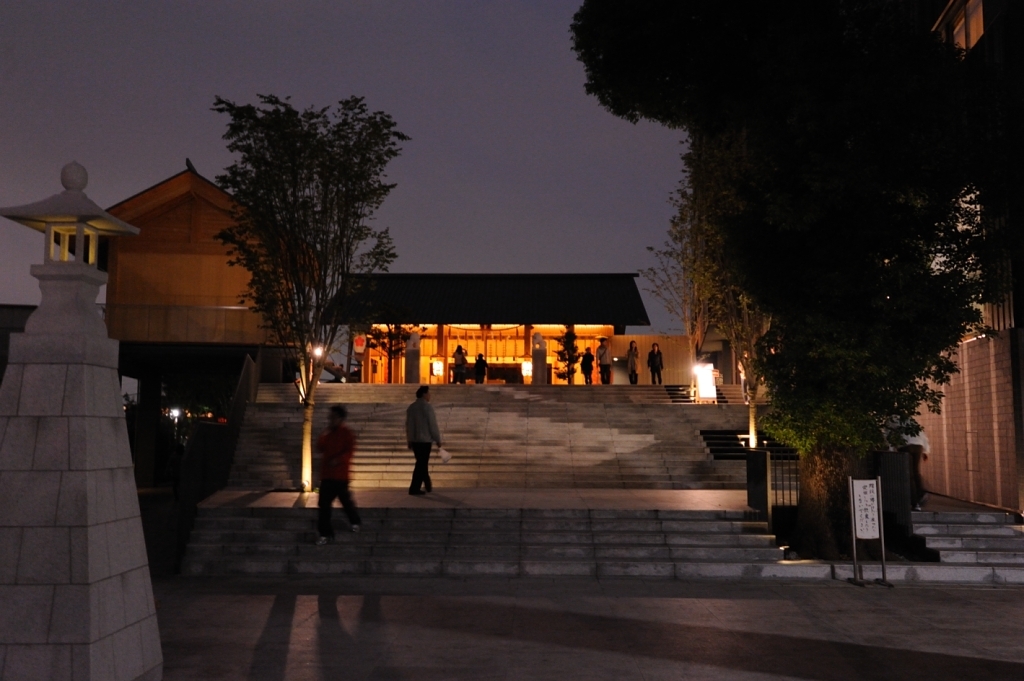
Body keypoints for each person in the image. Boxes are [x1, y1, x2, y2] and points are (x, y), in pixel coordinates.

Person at [315, 405, 362, 544]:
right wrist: (323, 435)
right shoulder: (328, 434)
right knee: (323, 505)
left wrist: (338, 460)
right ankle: (325, 534)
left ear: (340, 418)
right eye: (330, 417)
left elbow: (350, 452)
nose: (330, 420)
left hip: (340, 476)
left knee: (345, 502)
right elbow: (320, 448)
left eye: (333, 417)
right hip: (327, 475)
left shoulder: (347, 434)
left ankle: (355, 521)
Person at [406, 385, 442, 495]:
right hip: (425, 440)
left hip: (415, 440)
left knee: (421, 462)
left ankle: (427, 484)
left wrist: (409, 439)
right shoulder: (427, 407)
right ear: (424, 394)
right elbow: (432, 425)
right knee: (421, 464)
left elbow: (408, 425)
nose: (430, 395)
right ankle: (414, 488)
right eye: (428, 393)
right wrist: (437, 439)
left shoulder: (411, 407)